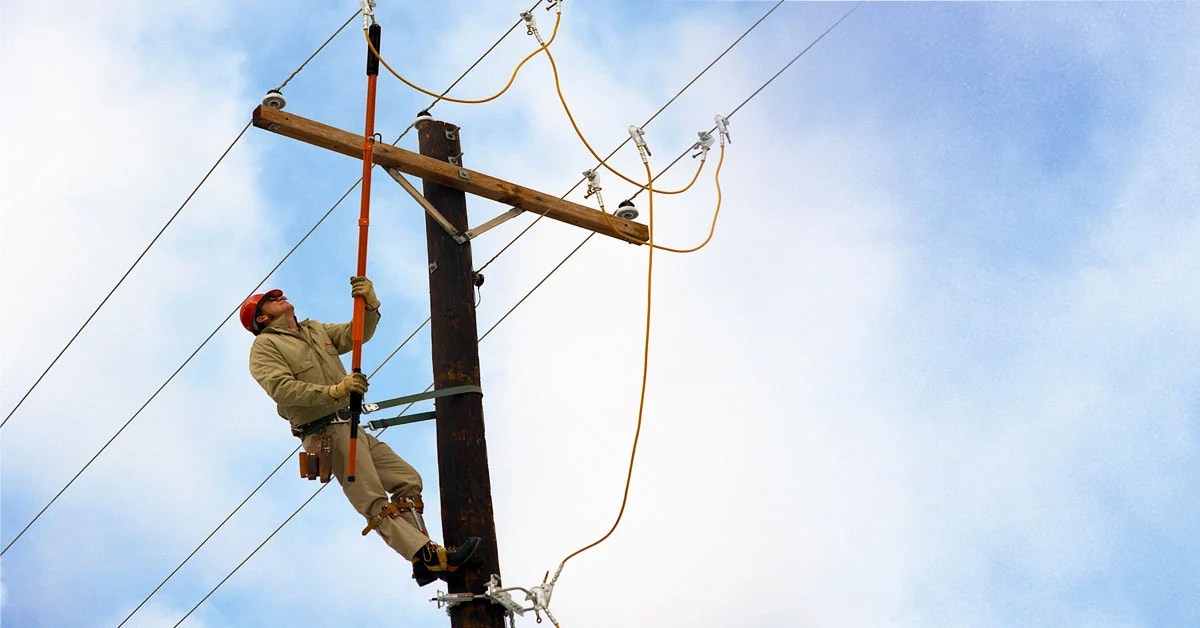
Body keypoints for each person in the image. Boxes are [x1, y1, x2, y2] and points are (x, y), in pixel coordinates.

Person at [240, 277, 479, 586]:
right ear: (262, 318)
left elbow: (356, 334)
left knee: (406, 479)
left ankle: (423, 558)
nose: (280, 297)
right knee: (372, 499)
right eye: (271, 299)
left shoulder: (313, 330)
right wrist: (335, 390)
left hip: (349, 424)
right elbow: (281, 389)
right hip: (325, 432)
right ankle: (428, 556)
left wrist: (370, 304)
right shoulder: (265, 346)